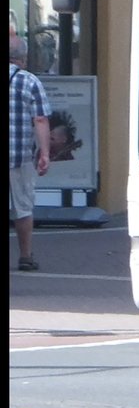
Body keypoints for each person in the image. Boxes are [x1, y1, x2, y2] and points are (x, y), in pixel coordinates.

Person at [10, 35, 51, 272]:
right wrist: (44, 153)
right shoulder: (29, 81)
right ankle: (25, 256)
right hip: (19, 157)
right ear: (22, 58)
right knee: (23, 207)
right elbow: (40, 119)